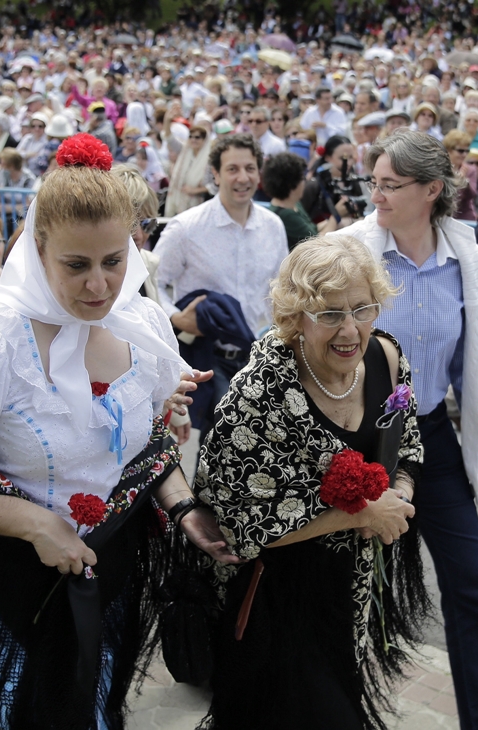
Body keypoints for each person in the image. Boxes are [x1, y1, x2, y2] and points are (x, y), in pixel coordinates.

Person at [0, 136, 239, 729]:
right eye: (77, 265)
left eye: (114, 261)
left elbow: (145, 449)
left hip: (108, 578)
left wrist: (181, 504)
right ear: (38, 251)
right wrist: (36, 523)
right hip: (11, 590)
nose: (99, 284)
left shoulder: (141, 328)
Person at [196, 235, 425, 730]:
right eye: (329, 314)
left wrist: (398, 498)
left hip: (352, 592)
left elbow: (407, 446)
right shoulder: (257, 396)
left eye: (362, 309)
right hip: (277, 600)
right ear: (295, 316)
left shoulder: (386, 359)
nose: (350, 329)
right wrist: (364, 512)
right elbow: (242, 525)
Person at [337, 129, 478, 728]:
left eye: (390, 184)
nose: (376, 195)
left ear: (432, 190)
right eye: (374, 182)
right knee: (354, 591)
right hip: (356, 441)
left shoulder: (464, 256)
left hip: (431, 435)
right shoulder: (348, 251)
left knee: (472, 585)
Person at [154, 133, 288, 435]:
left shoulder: (273, 226)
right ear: (215, 174)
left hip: (261, 360)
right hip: (211, 361)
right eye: (232, 169)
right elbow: (152, 285)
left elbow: (283, 291)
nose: (243, 178)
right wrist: (176, 318)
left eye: (250, 168)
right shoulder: (186, 227)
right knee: (219, 447)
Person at [265, 151, 335, 250]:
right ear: (291, 184)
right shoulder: (286, 215)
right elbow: (318, 244)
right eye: (302, 178)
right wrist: (335, 218)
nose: (304, 182)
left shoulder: (294, 204)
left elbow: (311, 228)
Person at [164, 125, 211, 217]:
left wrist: (195, 190)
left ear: (204, 140)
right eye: (191, 136)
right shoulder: (185, 150)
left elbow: (215, 185)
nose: (193, 140)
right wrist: (167, 120)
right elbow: (169, 138)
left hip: (198, 204)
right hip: (177, 200)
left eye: (197, 137)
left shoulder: (209, 159)